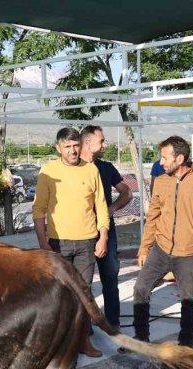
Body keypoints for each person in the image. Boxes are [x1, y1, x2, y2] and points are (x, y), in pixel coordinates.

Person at [133, 136, 193, 347]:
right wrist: (144, 247)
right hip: (160, 249)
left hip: (189, 254)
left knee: (188, 298)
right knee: (140, 289)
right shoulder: (161, 181)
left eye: (165, 158)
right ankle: (141, 337)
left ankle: (185, 343)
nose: (161, 162)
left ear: (179, 158)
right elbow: (153, 217)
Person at [33, 127, 109, 287]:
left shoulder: (91, 170)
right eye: (67, 146)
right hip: (58, 243)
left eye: (76, 145)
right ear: (58, 148)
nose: (73, 151)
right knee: (59, 291)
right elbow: (39, 208)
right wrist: (42, 241)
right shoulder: (48, 171)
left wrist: (103, 237)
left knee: (83, 290)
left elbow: (101, 205)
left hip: (87, 243)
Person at [80, 125, 132, 328]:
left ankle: (113, 324)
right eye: (101, 141)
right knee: (82, 282)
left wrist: (110, 209)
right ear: (87, 142)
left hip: (106, 233)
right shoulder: (74, 169)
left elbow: (126, 192)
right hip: (80, 234)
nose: (105, 144)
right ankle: (84, 327)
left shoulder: (106, 168)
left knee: (110, 278)